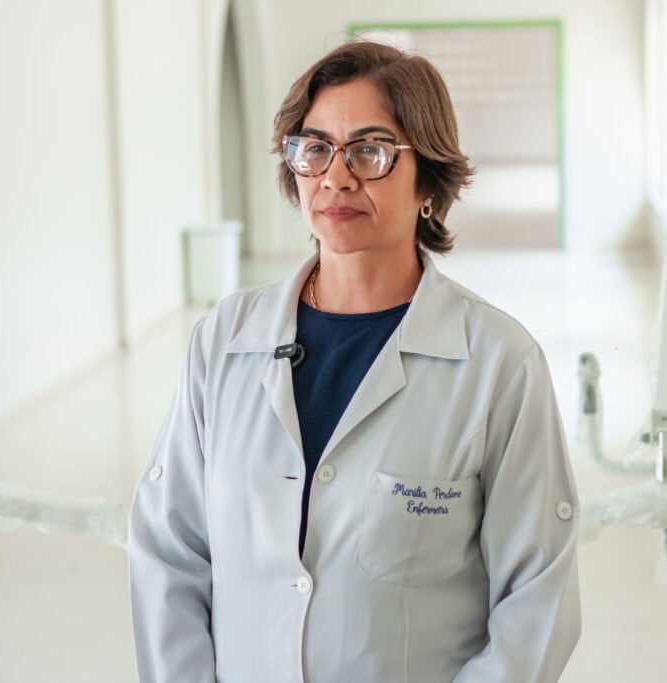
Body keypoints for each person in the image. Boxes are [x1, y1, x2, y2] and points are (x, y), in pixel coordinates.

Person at [129, 40, 581, 682]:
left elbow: (537, 601)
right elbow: (169, 554)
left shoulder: (499, 363)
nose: (336, 178)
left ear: (429, 182)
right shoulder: (223, 340)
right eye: (315, 148)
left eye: (371, 151)